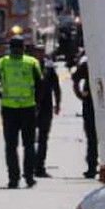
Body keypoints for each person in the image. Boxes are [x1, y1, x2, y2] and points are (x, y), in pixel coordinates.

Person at [0, 36, 43, 189]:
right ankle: (29, 177)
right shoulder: (32, 62)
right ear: (23, 47)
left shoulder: (2, 63)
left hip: (8, 109)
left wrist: (2, 96)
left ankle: (13, 179)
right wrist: (36, 103)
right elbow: (40, 85)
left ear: (10, 47)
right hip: (28, 108)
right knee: (29, 145)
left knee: (11, 146)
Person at [31, 44, 61, 178]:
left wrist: (58, 103)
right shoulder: (29, 66)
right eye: (37, 52)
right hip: (30, 106)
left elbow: (56, 87)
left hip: (46, 107)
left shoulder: (49, 68)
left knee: (43, 138)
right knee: (30, 139)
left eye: (41, 52)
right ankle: (29, 166)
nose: (39, 54)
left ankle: (40, 167)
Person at [72, 54, 99, 178]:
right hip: (91, 104)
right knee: (92, 137)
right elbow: (76, 79)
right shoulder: (89, 63)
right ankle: (92, 167)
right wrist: (81, 95)